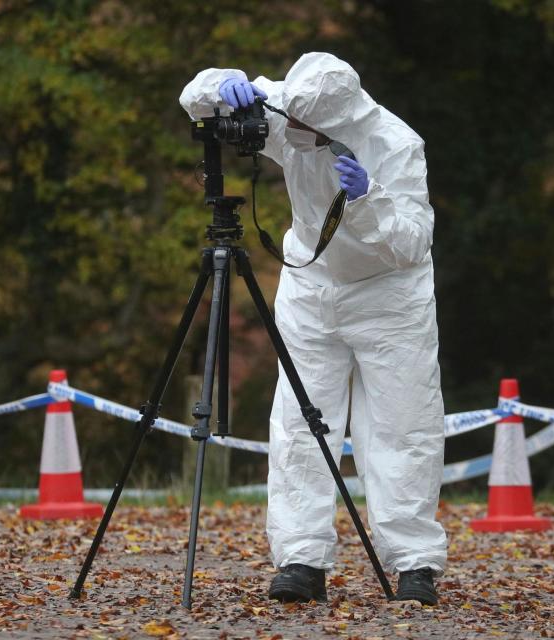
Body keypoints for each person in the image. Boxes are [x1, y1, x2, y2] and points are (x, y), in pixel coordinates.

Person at [179, 52, 446, 606]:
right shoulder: (294, 103)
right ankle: (301, 558)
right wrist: (220, 86)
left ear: (337, 121)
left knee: (402, 428)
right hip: (311, 288)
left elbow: (412, 243)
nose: (290, 130)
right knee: (300, 426)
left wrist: (367, 202)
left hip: (389, 297)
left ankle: (414, 564)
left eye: (304, 126)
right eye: (290, 119)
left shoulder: (396, 144)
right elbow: (194, 99)